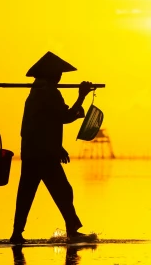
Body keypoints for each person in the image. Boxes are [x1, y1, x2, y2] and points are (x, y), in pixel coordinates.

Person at [10, 51, 96, 244]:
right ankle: (72, 231)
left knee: (27, 192)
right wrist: (81, 97)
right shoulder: (49, 93)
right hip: (43, 154)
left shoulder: (36, 93)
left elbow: (45, 124)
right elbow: (64, 117)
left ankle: (17, 233)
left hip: (33, 151)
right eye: (58, 74)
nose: (59, 77)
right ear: (51, 74)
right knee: (63, 190)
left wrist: (59, 147)